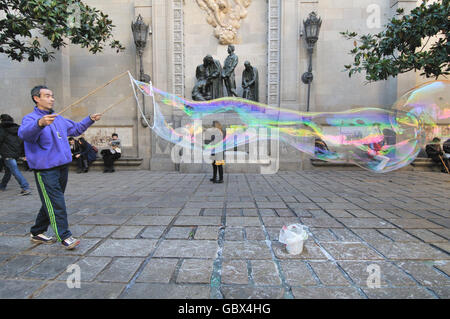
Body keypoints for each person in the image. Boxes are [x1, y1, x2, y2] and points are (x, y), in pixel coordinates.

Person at [18, 85, 102, 249]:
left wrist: (90, 119)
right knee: (56, 201)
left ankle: (37, 232)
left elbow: (76, 128)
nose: (52, 98)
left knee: (51, 200)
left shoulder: (58, 118)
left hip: (62, 167)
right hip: (45, 170)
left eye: (52, 96)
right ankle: (64, 236)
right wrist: (40, 123)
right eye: (47, 96)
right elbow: (24, 134)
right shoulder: (31, 118)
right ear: (37, 98)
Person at [0, 114, 31, 195]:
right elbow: (23, 141)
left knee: (14, 170)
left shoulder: (2, 129)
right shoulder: (17, 128)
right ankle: (2, 186)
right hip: (15, 153)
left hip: (7, 153)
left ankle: (25, 187)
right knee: (8, 171)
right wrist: (22, 153)